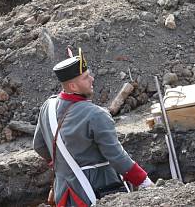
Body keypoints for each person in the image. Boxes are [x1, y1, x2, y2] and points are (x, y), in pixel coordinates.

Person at [33, 50, 154, 206]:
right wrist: (144, 181)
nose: (92, 79)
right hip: (96, 190)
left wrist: (64, 164)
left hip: (63, 193)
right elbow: (116, 156)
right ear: (73, 86)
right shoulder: (96, 115)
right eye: (85, 77)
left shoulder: (47, 107)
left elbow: (38, 145)